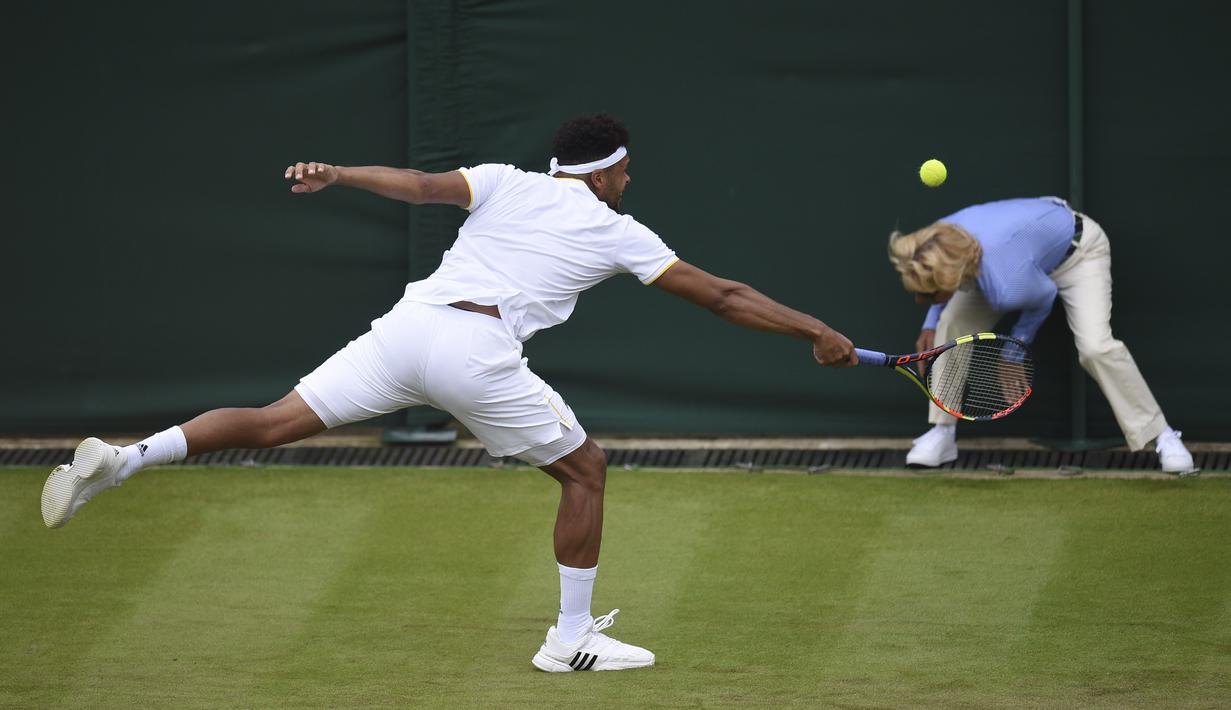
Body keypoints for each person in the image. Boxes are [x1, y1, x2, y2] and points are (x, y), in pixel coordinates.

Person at [41, 114, 857, 672]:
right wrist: (814, 329)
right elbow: (723, 296)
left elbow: (419, 185)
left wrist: (339, 174)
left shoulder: (503, 180)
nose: (629, 180)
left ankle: (126, 459)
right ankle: (570, 639)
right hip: (475, 352)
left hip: (407, 328)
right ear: (605, 173)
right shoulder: (619, 230)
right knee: (584, 471)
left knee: (270, 420)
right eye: (625, 170)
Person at [887, 197, 1194, 473]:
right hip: (1012, 256)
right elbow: (938, 286)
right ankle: (942, 432)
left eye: (928, 295)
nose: (920, 301)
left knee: (1096, 347)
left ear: (954, 278)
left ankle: (1161, 435)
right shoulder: (938, 238)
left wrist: (1012, 355)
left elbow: (1044, 295)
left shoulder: (1004, 287)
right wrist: (930, 323)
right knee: (950, 322)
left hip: (1079, 253)